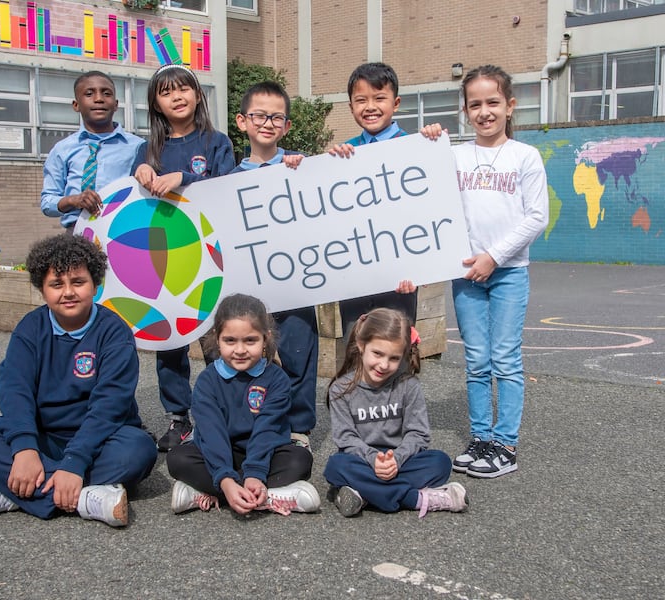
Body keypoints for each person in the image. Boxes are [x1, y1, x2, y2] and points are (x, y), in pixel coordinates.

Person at [0, 234, 158, 527]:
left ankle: (15, 494)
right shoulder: (30, 328)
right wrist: (25, 449)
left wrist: (75, 462)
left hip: (100, 439)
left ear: (95, 284)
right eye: (56, 284)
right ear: (42, 289)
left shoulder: (114, 332)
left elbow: (110, 405)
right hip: (43, 437)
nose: (68, 292)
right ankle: (87, 499)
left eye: (78, 282)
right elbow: (15, 391)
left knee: (139, 452)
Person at [420, 65, 549, 478]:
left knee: (506, 359)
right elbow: (426, 191)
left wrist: (493, 256)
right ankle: (480, 438)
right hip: (465, 275)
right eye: (475, 104)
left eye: (493, 102)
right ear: (465, 110)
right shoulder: (454, 155)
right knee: (476, 361)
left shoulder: (525, 156)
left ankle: (505, 445)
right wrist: (428, 142)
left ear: (510, 106)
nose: (484, 112)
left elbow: (536, 218)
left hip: (508, 272)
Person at [131, 63, 236, 452]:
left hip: (210, 257)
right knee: (169, 342)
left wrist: (184, 178)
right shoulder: (148, 149)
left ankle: (222, 412)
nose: (177, 96)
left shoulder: (216, 142)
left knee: (214, 337)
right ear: (156, 104)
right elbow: (131, 202)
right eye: (166, 92)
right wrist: (139, 170)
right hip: (165, 258)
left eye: (184, 89)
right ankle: (179, 418)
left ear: (198, 95)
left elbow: (228, 186)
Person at [166, 293, 320, 516]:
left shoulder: (276, 378)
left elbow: (267, 429)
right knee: (178, 459)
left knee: (300, 459)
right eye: (230, 340)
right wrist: (226, 478)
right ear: (217, 338)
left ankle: (209, 492)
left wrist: (255, 474)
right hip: (220, 451)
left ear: (265, 339)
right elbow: (211, 433)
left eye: (250, 340)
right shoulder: (208, 380)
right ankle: (263, 495)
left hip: (264, 452)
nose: (240, 350)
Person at [230, 81, 317, 450]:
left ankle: (297, 429)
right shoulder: (226, 180)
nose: (267, 123)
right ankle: (247, 425)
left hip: (296, 283)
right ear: (242, 121)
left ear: (287, 126)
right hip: (249, 288)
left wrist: (305, 170)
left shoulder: (300, 167)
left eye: (277, 117)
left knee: (299, 354)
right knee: (246, 356)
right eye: (259, 115)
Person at [324, 308, 469, 518]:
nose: (384, 364)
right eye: (377, 354)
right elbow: (346, 439)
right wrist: (374, 459)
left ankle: (364, 494)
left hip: (402, 460)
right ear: (361, 345)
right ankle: (416, 499)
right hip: (362, 460)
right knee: (335, 466)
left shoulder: (408, 385)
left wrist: (396, 460)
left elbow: (418, 434)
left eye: (393, 358)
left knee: (440, 462)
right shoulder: (341, 388)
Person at [327, 62, 418, 342]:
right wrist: (329, 166)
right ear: (351, 106)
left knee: (394, 350)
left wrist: (420, 268)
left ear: (396, 103)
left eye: (379, 98)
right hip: (354, 277)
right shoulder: (345, 152)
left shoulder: (416, 146)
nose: (370, 107)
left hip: (400, 278)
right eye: (361, 100)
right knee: (353, 348)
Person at [41, 71, 144, 233]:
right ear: (76, 105)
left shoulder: (138, 147)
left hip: (123, 232)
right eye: (89, 94)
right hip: (76, 233)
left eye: (106, 93)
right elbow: (47, 202)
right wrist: (73, 200)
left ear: (116, 104)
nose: (99, 99)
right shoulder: (62, 149)